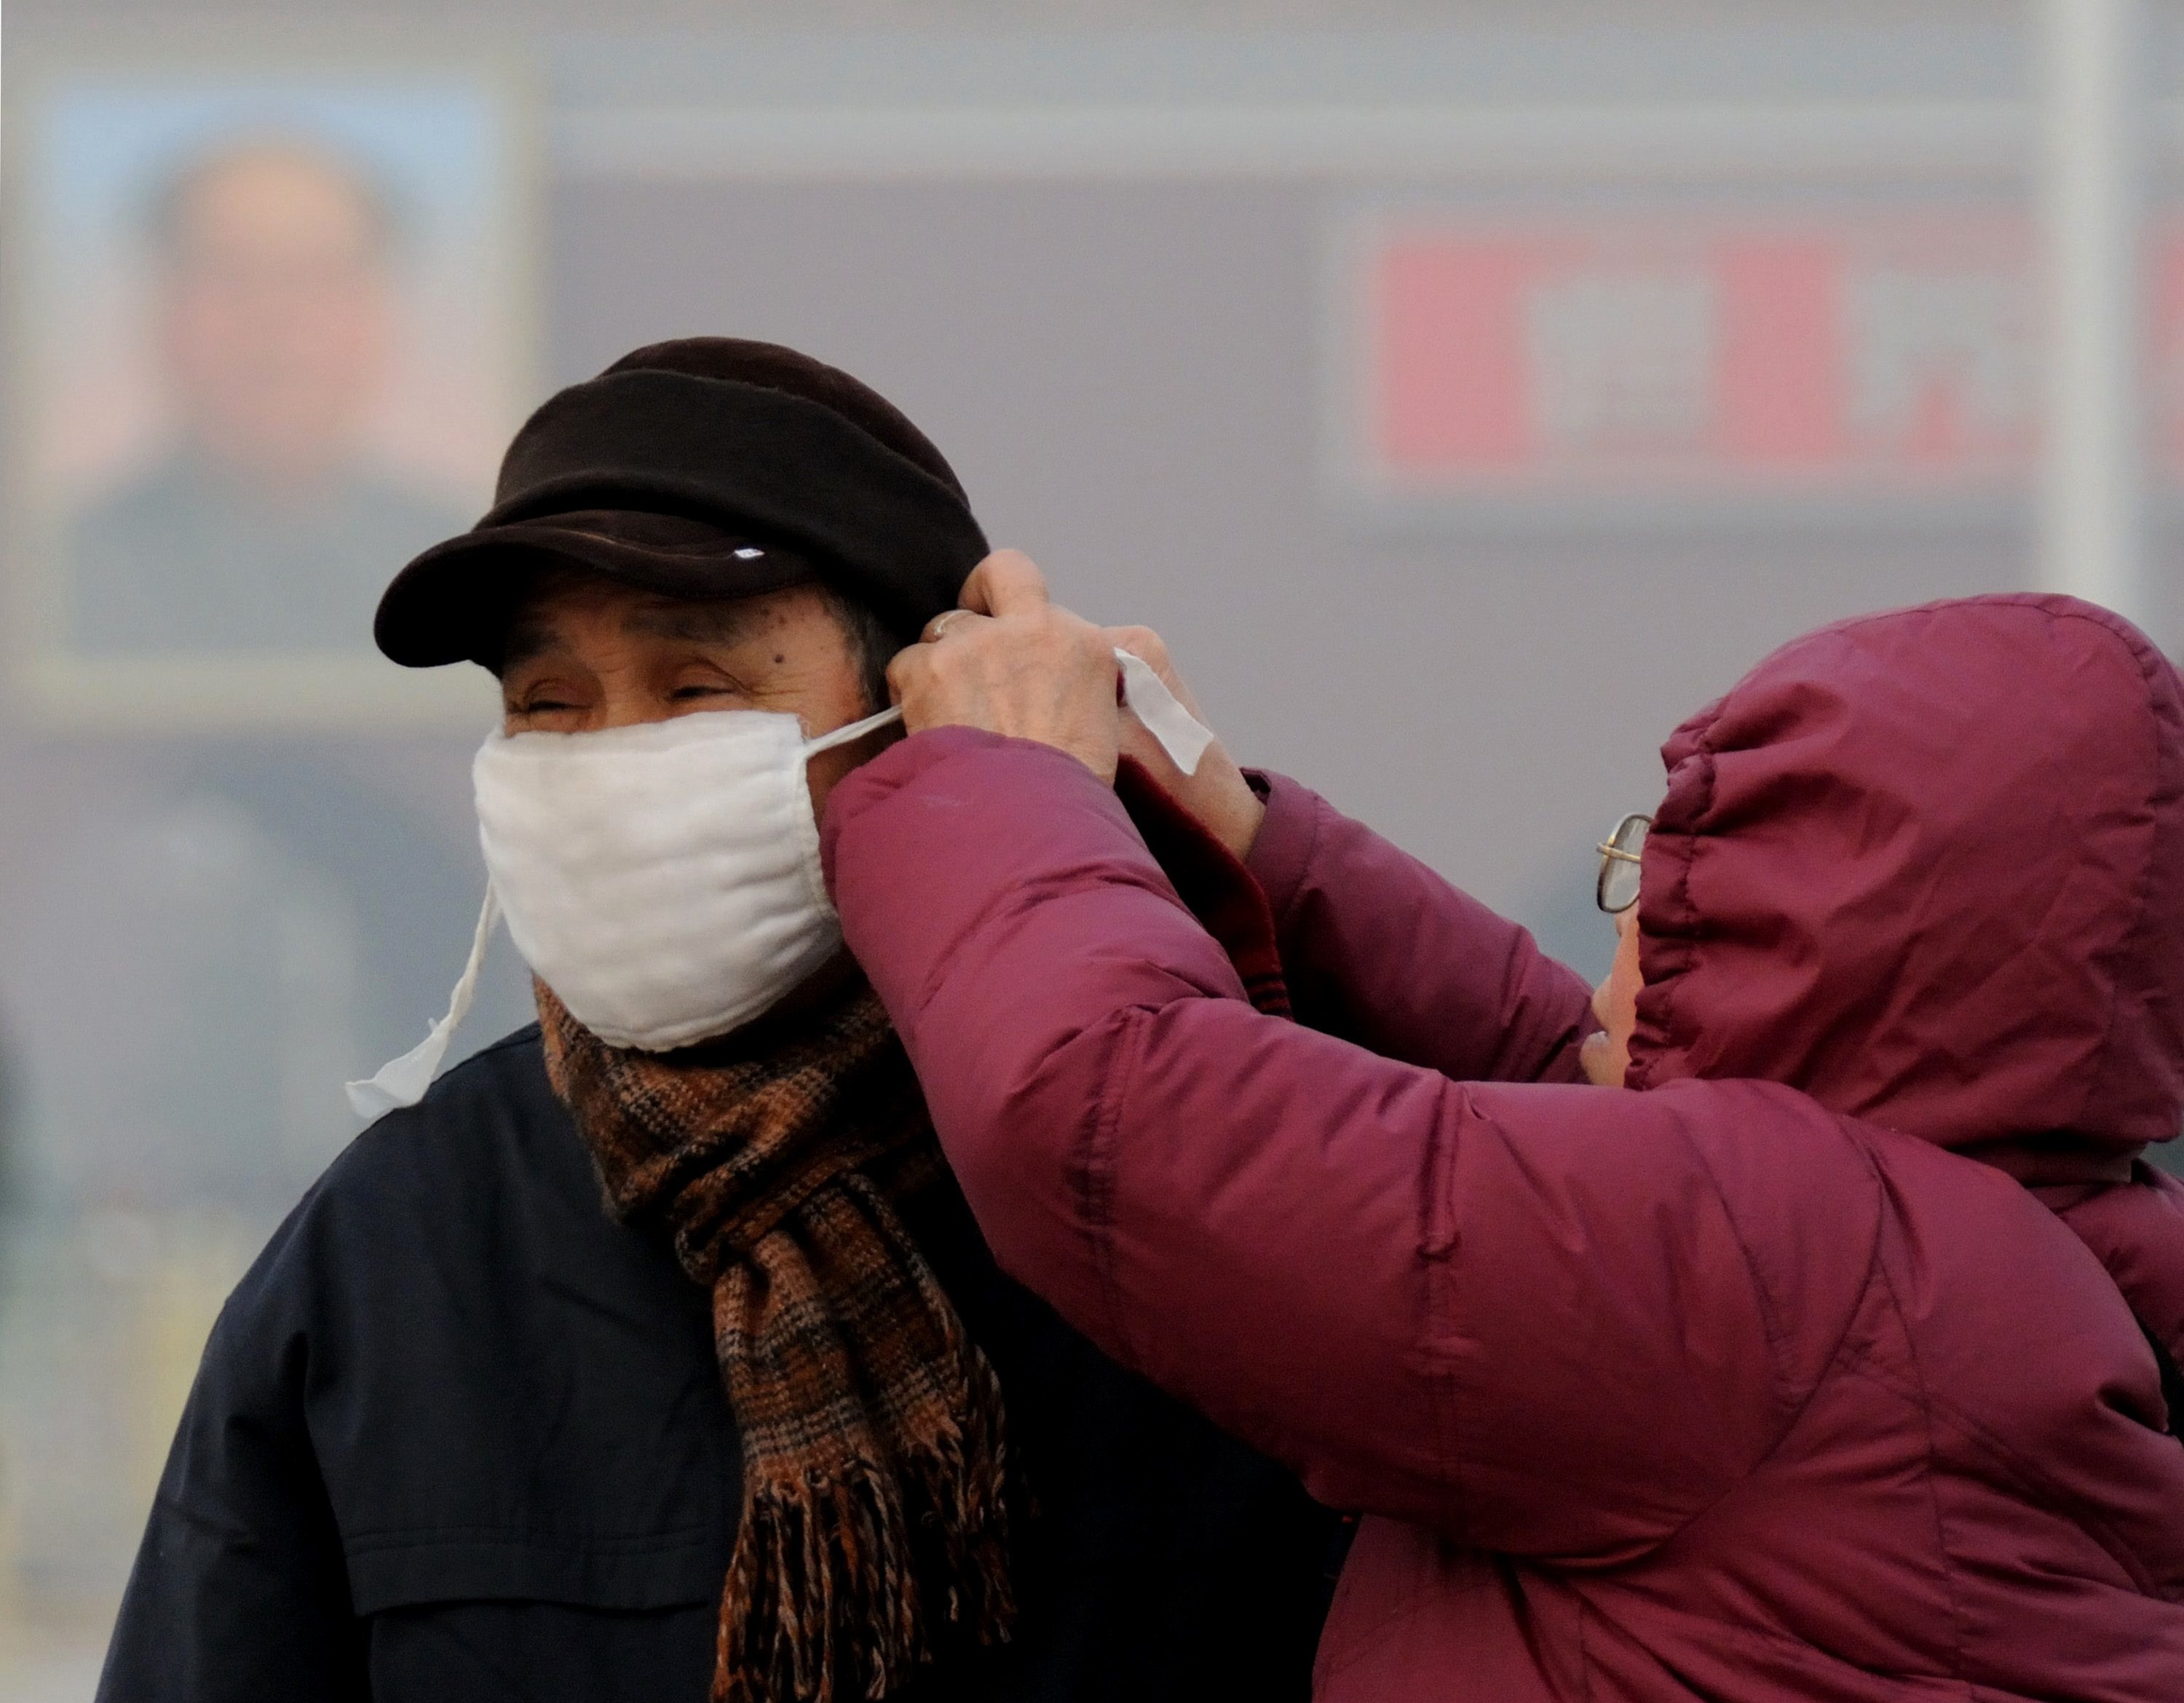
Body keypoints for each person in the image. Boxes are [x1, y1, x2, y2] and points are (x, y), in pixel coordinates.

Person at [97, 341, 1340, 1703]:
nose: (610, 760)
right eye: (547, 703)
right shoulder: (396, 1247)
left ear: (916, 719)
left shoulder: (1192, 1185)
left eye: (697, 687)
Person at [825, 561, 2184, 1701]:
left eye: (1684, 868)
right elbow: (1559, 1077)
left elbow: (1098, 1106)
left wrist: (1003, 777)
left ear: (1804, 937)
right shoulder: (2002, 1249)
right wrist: (1243, 835)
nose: (1635, 919)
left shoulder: (1767, 1269)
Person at [68, 138, 464, 656]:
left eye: (318, 278)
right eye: (231, 276)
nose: (277, 320)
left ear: (379, 317)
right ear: (164, 313)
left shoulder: (458, 561)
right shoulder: (60, 568)